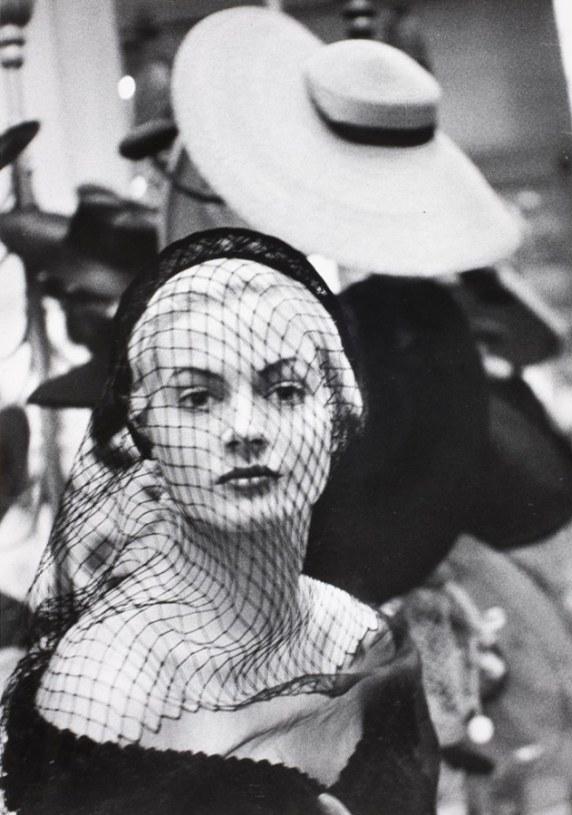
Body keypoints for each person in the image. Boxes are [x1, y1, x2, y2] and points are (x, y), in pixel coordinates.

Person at [0, 228, 439, 815]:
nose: (245, 430)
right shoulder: (103, 687)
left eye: (284, 390)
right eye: (198, 400)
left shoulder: (366, 638)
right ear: (146, 428)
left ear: (339, 412)